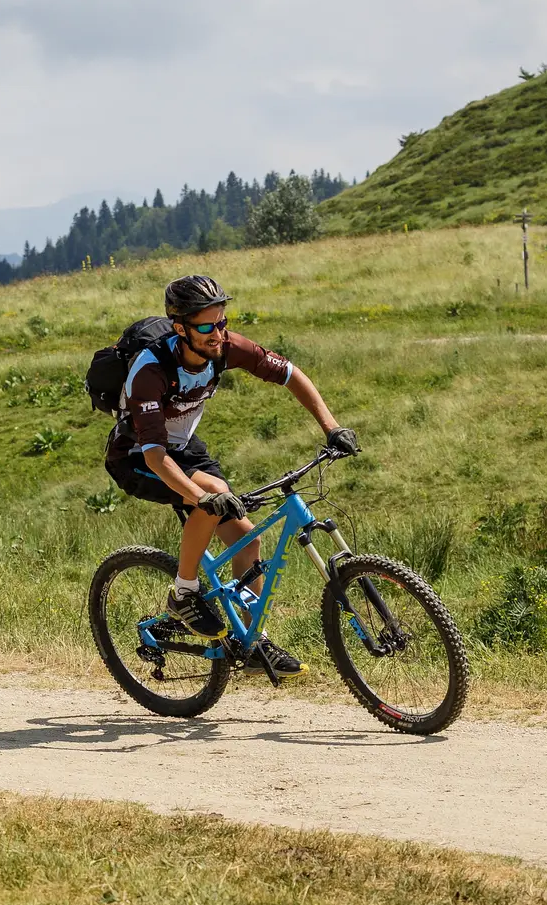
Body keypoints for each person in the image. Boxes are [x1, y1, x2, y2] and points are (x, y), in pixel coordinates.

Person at [104, 275, 359, 680]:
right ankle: (183, 594)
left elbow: (292, 375)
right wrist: (198, 496)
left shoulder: (225, 348)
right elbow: (155, 456)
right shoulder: (149, 371)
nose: (218, 334)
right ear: (180, 328)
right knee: (210, 493)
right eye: (206, 326)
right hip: (136, 456)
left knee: (248, 539)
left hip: (185, 449)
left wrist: (331, 427)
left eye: (221, 322)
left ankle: (249, 641)